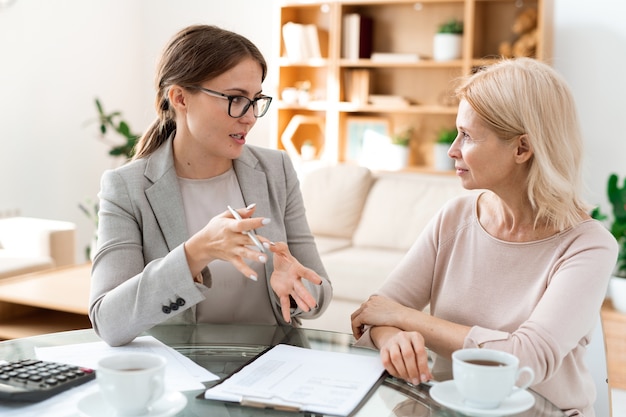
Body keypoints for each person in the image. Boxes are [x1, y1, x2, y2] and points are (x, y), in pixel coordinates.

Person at [350, 58, 617, 417]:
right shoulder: (455, 217)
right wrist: (393, 337)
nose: (452, 150)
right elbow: (373, 314)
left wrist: (408, 319)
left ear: (522, 149)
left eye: (468, 136)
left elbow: (524, 358)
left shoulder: (588, 246)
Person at [89, 24, 332, 347]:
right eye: (235, 99)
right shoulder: (126, 188)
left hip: (271, 373)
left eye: (255, 100)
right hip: (178, 380)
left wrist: (296, 284)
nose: (249, 117)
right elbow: (108, 321)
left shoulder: (276, 170)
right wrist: (195, 252)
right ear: (179, 98)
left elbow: (320, 292)